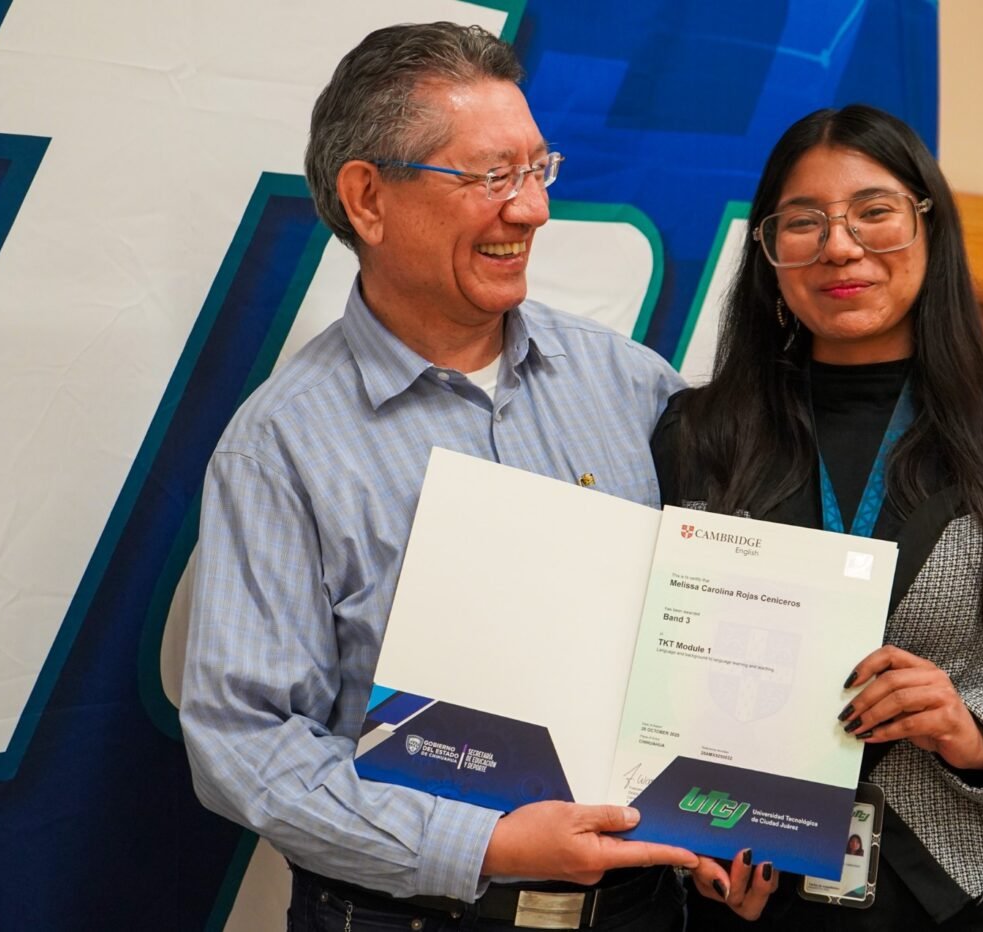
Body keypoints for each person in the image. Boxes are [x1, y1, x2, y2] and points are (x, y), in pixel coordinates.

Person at [179, 21, 784, 931]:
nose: (532, 210)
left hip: (641, 907)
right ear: (367, 199)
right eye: (492, 176)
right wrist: (485, 845)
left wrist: (722, 827)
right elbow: (243, 745)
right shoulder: (282, 446)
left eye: (538, 170)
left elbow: (722, 610)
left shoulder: (631, 384)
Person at [652, 104, 983, 930]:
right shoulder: (694, 436)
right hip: (749, 890)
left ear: (930, 228)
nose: (840, 246)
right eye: (804, 221)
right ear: (768, 252)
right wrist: (687, 846)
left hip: (972, 896)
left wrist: (978, 731)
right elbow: (647, 670)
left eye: (874, 212)